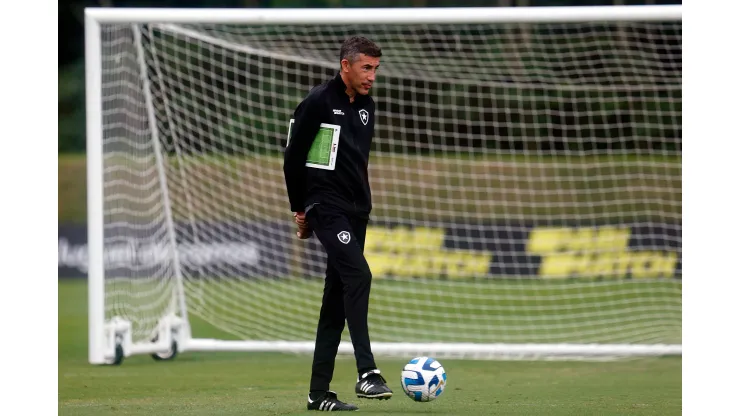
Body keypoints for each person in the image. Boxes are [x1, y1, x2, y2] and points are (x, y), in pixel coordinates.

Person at [283, 36, 391, 412]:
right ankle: (367, 372)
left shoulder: (367, 106)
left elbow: (355, 161)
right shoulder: (317, 102)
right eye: (366, 67)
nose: (371, 76)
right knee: (359, 276)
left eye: (375, 69)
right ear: (345, 65)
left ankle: (318, 394)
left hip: (357, 211)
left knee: (335, 301)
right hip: (324, 205)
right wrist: (301, 209)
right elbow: (293, 158)